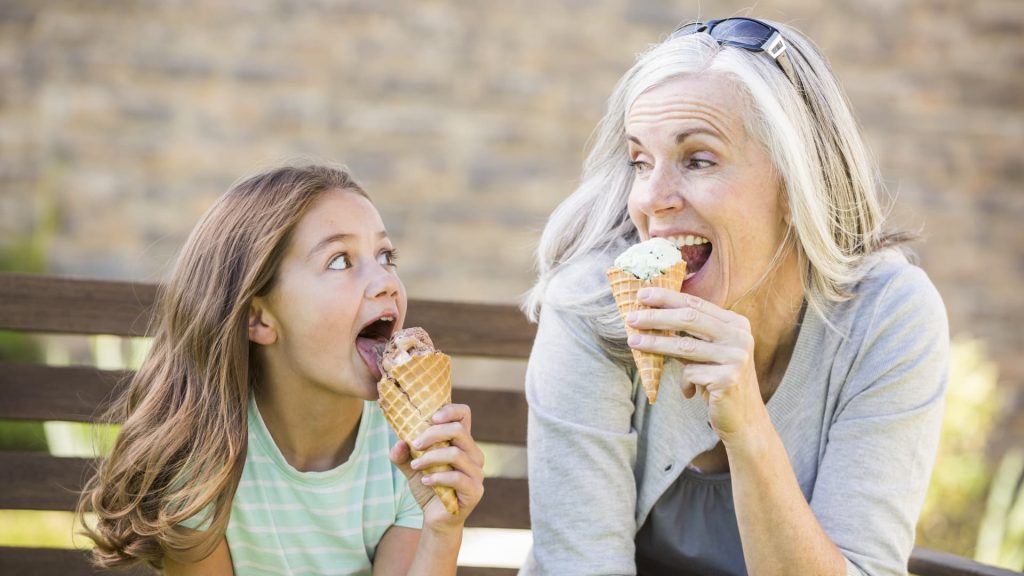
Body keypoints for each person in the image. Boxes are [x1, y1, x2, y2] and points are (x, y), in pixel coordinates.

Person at [522, 17, 948, 576]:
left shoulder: (888, 316)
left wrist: (747, 427)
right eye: (639, 161)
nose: (651, 199)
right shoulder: (593, 304)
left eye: (699, 160)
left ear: (800, 186)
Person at [76, 163, 485, 575]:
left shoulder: (406, 451)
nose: (385, 281)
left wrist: (442, 529)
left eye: (385, 256)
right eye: (340, 261)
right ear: (259, 318)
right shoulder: (203, 464)